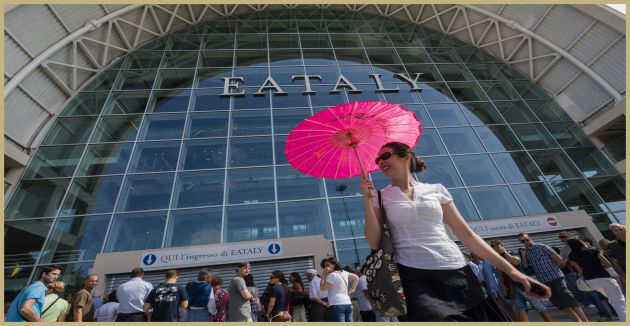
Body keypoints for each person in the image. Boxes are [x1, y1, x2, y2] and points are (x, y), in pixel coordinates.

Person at [360, 142, 549, 321]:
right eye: (378, 161)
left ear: (406, 156)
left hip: (457, 270)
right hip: (413, 277)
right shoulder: (380, 196)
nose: (380, 162)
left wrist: (514, 273)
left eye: (384, 156)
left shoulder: (437, 190)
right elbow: (375, 242)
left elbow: (467, 235)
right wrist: (368, 201)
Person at [517, 233, 588, 321]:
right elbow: (526, 266)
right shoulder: (526, 252)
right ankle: (578, 321)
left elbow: (558, 258)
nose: (525, 242)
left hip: (556, 276)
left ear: (530, 238)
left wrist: (561, 267)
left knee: (568, 297)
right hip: (544, 280)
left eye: (526, 239)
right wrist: (523, 255)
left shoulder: (541, 247)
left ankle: (585, 321)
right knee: (559, 303)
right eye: (523, 241)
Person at [489, 239, 552, 322]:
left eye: (494, 245)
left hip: (523, 285)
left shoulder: (512, 253)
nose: (492, 247)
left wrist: (504, 253)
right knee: (520, 309)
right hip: (511, 288)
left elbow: (516, 262)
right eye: (491, 246)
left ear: (501, 245)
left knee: (539, 306)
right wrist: (503, 285)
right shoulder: (496, 259)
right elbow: (499, 272)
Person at [567, 238, 626, 321]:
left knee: (612, 300)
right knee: (619, 302)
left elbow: (579, 271)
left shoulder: (571, 256)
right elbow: (607, 264)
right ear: (580, 242)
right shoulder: (593, 250)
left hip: (590, 281)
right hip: (604, 278)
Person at [319, 257, 359, 322]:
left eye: (327, 265)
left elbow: (322, 288)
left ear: (334, 265)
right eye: (325, 266)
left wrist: (323, 275)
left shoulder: (332, 275)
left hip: (337, 304)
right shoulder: (344, 273)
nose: (325, 267)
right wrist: (353, 289)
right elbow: (356, 278)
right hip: (348, 303)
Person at [607, 223, 626, 288]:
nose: (618, 231)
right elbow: (614, 261)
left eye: (620, 229)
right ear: (613, 233)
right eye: (615, 230)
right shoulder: (611, 245)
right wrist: (623, 275)